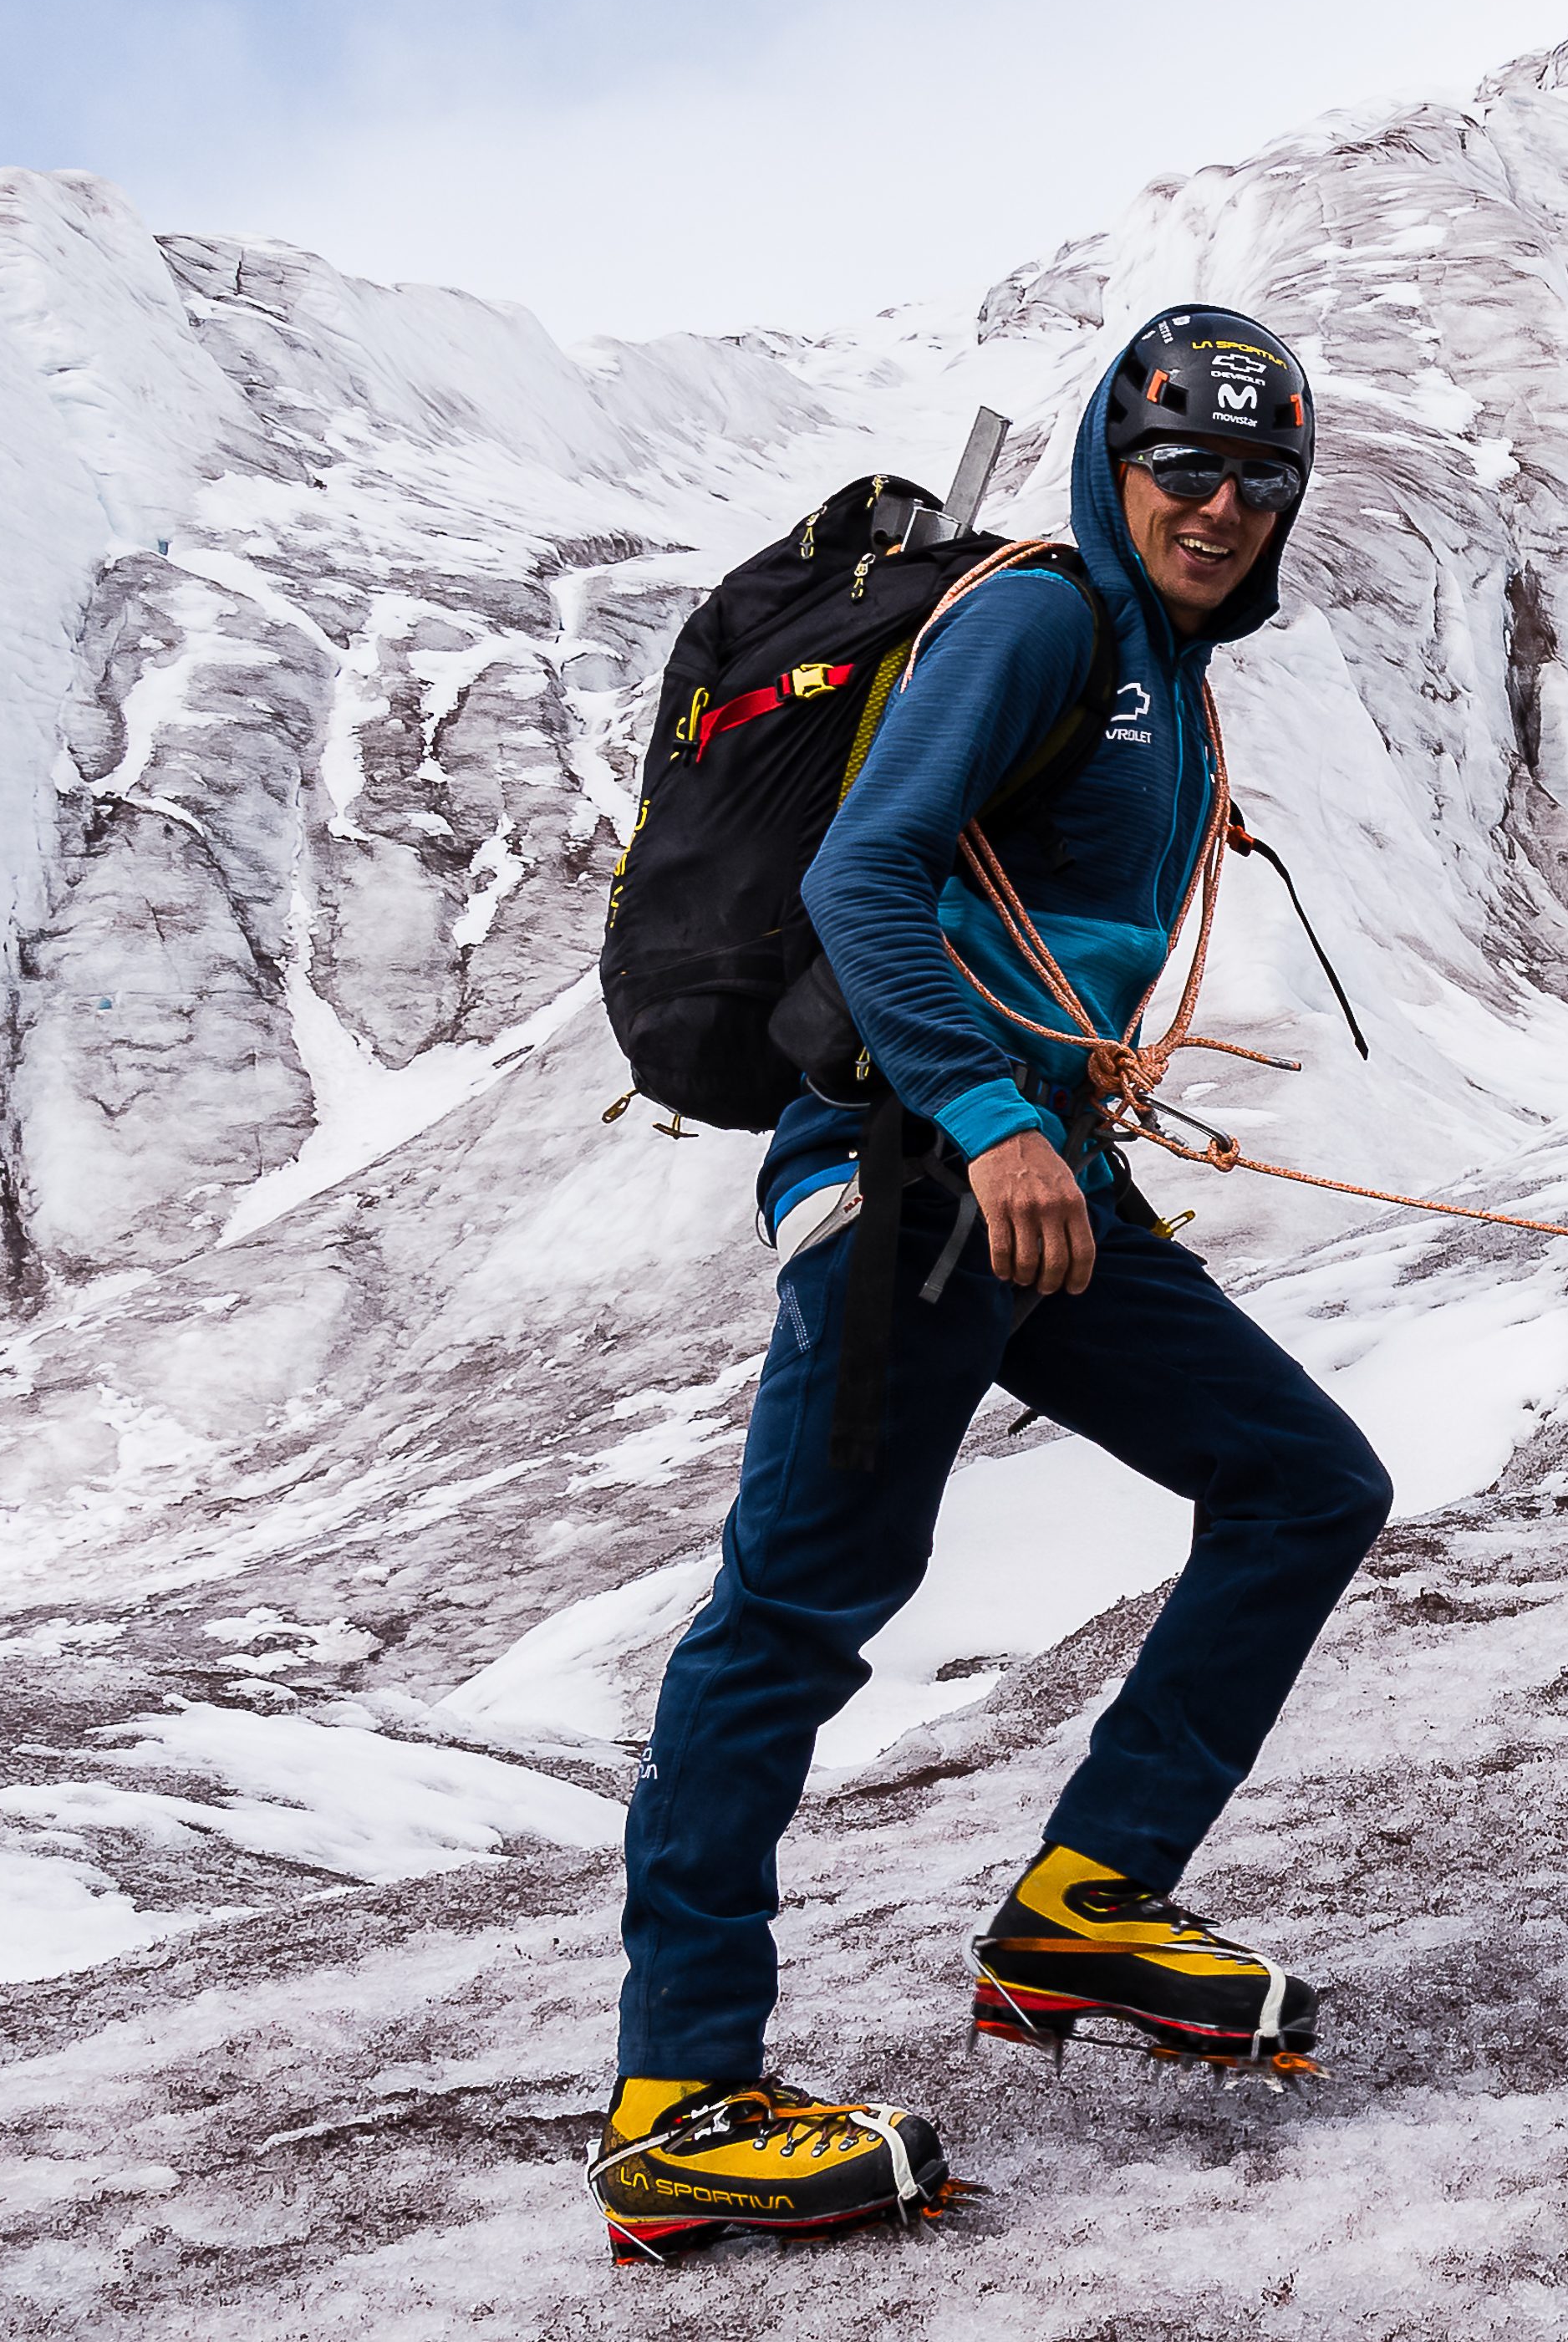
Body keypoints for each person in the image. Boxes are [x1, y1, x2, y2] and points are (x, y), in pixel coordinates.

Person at [591, 308, 1392, 2264]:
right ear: (1112, 466)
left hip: (1039, 1178)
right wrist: (985, 1113)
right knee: (791, 1616)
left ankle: (1087, 1912)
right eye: (1180, 467)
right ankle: (674, 2099)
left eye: (1256, 480)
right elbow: (869, 874)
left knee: (1306, 1487)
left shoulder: (1171, 673)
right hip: (913, 1175)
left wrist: (1059, 1132)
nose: (1216, 506)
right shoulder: (1046, 623)